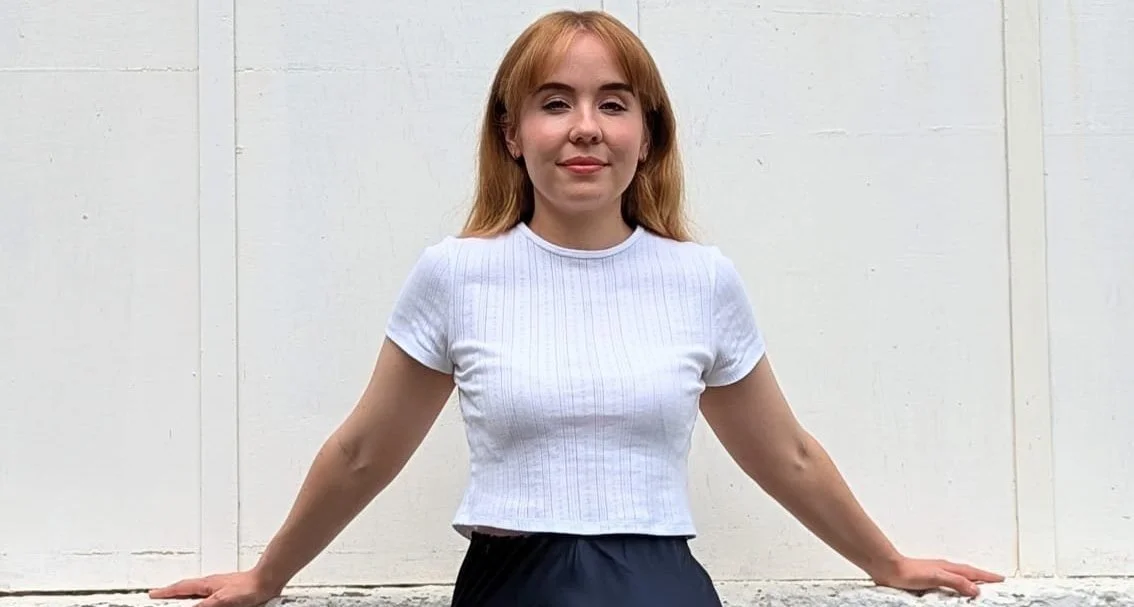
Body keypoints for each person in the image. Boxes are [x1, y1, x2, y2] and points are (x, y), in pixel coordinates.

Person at [149, 9, 1004, 607]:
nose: (584, 127)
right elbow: (365, 450)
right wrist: (270, 575)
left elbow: (787, 456)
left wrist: (886, 562)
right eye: (554, 102)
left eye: (612, 103)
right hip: (509, 586)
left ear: (650, 134)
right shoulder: (456, 275)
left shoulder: (700, 280)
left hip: (660, 584)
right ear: (513, 133)